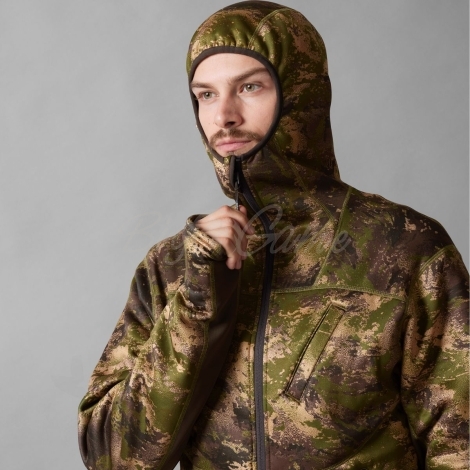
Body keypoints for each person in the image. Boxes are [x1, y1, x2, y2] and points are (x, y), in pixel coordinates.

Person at [78, 2, 469, 469]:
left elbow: (460, 443)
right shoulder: (172, 266)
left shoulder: (404, 247)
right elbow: (112, 459)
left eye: (249, 87)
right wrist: (198, 304)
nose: (224, 115)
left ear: (301, 95)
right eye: (206, 95)